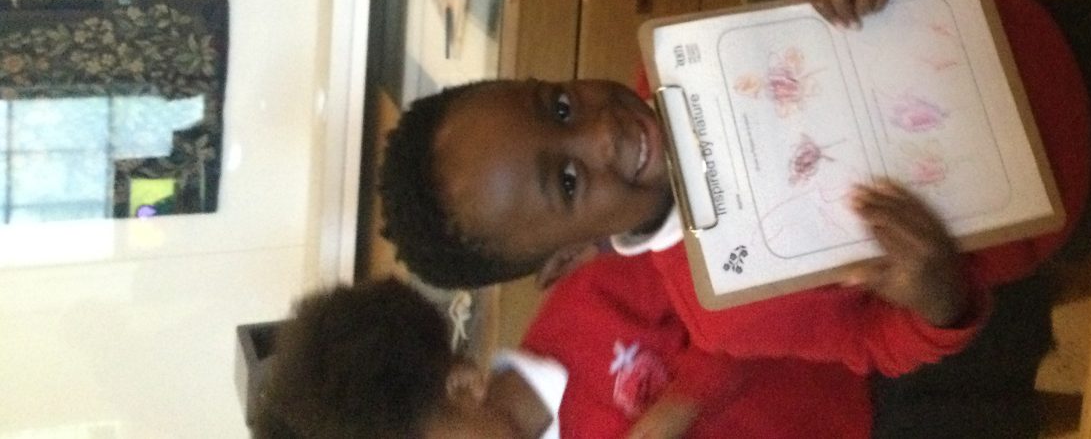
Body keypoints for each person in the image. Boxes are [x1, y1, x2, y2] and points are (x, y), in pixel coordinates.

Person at [378, 0, 1091, 383]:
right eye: (567, 183)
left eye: (559, 106)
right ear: (569, 256)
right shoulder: (721, 311)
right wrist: (935, 297)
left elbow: (812, 23)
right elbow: (872, 343)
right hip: (1068, 195)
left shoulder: (680, 60)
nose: (602, 132)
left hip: (1031, 38)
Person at [252, 254, 873, 439]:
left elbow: (741, 288)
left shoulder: (591, 305)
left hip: (870, 377)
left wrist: (682, 403)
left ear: (462, 386)